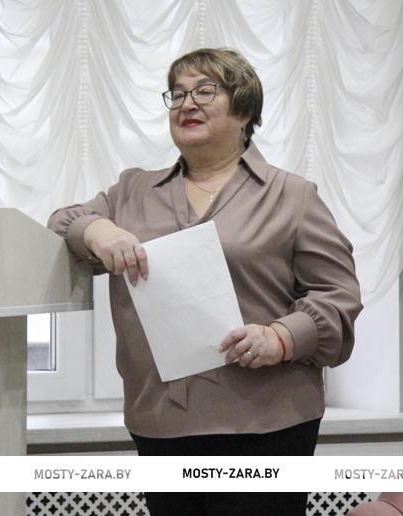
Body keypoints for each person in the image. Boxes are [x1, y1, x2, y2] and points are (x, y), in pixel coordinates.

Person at [48, 48, 362, 516]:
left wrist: (280, 337)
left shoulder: (292, 196)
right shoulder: (131, 192)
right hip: (161, 424)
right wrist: (97, 229)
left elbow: (338, 299)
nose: (186, 103)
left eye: (205, 91)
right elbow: (60, 226)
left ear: (245, 109)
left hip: (268, 425)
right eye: (176, 94)